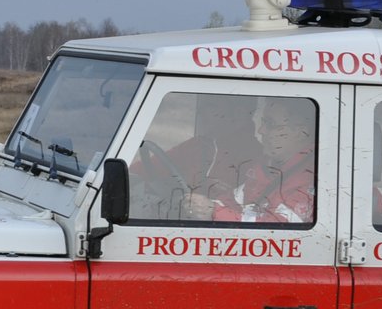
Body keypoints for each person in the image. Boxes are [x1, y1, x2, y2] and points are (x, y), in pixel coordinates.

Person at [185, 98, 316, 225]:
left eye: (270, 124)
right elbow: (232, 201)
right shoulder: (268, 166)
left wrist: (214, 212)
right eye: (263, 122)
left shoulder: (312, 180)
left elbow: (278, 230)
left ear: (301, 133)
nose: (261, 130)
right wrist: (202, 205)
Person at [131, 94, 259, 219]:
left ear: (238, 113)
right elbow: (146, 169)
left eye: (211, 106)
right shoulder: (198, 145)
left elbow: (246, 207)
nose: (201, 112)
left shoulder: (255, 154)